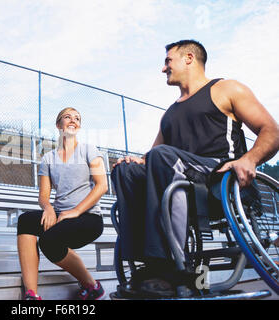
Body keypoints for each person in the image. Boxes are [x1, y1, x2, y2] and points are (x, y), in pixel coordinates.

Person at [111, 39, 279, 297]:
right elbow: (151, 158)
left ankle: (166, 266)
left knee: (163, 157)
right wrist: (136, 162)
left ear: (188, 58)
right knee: (125, 170)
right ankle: (146, 267)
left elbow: (272, 131)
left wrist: (250, 159)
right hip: (179, 177)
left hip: (220, 179)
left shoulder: (225, 89)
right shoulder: (169, 114)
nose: (163, 68)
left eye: (168, 61)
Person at [17, 107, 108, 300]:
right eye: (68, 117)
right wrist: (48, 208)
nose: (73, 120)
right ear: (59, 125)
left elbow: (102, 186)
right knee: (25, 220)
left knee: (49, 241)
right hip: (61, 216)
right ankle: (31, 295)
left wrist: (76, 211)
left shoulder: (89, 150)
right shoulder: (48, 158)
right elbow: (43, 195)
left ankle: (91, 285)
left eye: (77, 118)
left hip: (88, 218)